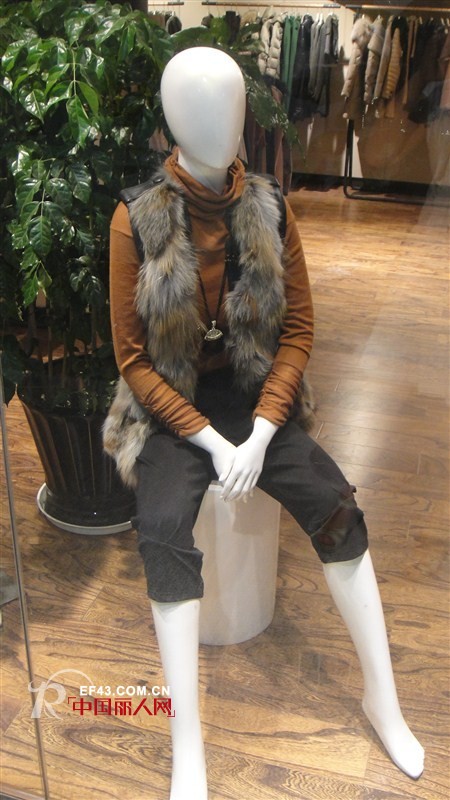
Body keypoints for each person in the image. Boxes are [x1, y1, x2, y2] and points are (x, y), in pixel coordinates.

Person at [104, 47, 424, 800]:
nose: (224, 124)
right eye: (203, 109)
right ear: (172, 119)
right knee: (162, 530)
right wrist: (211, 442)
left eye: (233, 107)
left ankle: (382, 699)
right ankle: (187, 747)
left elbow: (301, 330)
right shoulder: (136, 219)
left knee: (338, 508)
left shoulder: (271, 207)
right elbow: (133, 361)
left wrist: (263, 430)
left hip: (255, 399)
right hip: (173, 407)